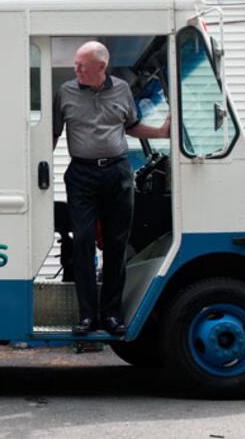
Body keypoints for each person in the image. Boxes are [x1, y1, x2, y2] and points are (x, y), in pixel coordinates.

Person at [53, 41, 169, 336]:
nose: (75, 69)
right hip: (81, 174)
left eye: (81, 65)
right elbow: (52, 133)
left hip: (117, 173)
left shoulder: (122, 90)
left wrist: (158, 133)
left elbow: (130, 126)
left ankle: (112, 316)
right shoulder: (65, 93)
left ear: (100, 67)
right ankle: (87, 317)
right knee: (82, 242)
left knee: (117, 245)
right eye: (76, 64)